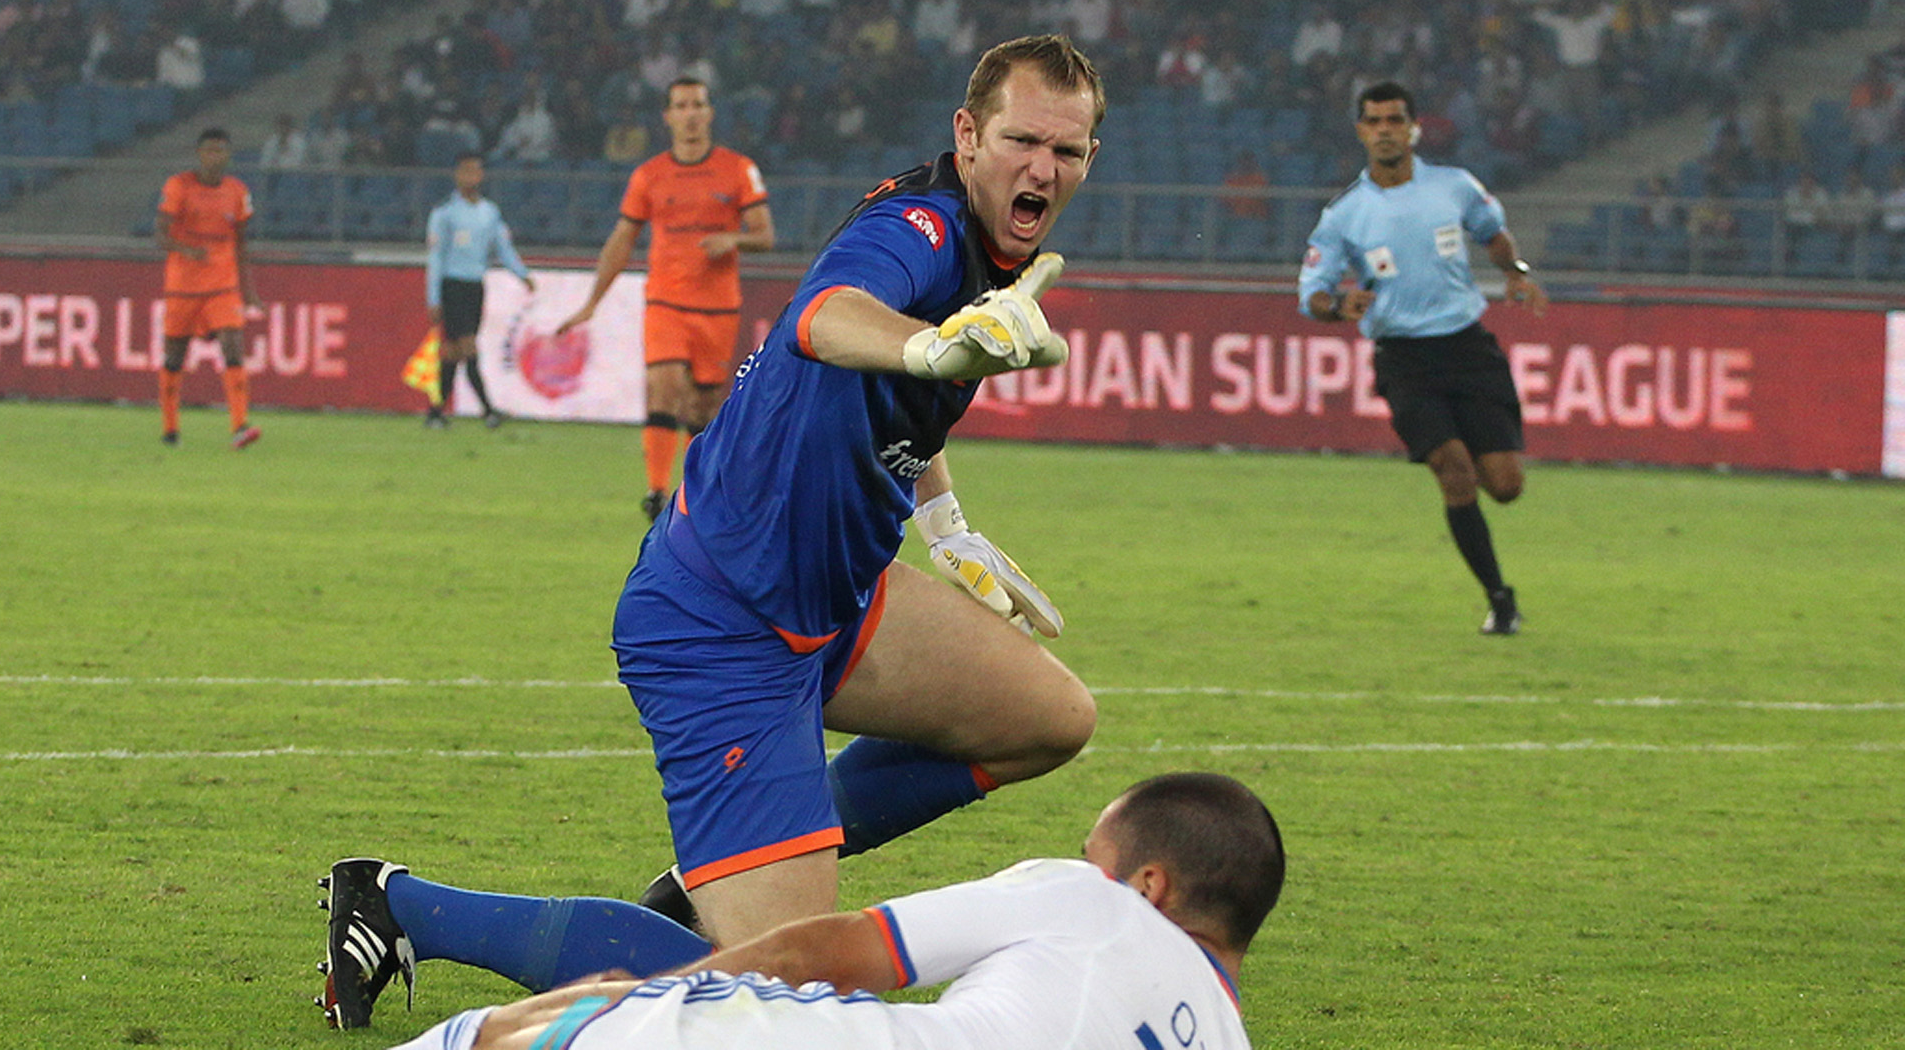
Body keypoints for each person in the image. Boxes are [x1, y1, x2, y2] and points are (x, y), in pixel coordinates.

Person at [323, 34, 1104, 1030]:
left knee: (1049, 718)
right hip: (724, 625)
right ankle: (398, 904)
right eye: (1022, 140)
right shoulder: (922, 226)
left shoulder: (1004, 248)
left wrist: (944, 519)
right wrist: (928, 344)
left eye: (1068, 152)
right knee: (785, 1003)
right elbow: (826, 315)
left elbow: (908, 389)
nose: (1043, 167)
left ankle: (733, 869)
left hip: (835, 597)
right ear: (966, 134)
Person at [337, 772, 1283, 1050]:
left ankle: (390, 904)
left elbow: (833, 951)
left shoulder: (1091, 903)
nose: (1087, 867)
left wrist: (636, 999)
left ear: (1148, 887)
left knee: (497, 1037)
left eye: (1098, 857)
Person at [1298, 81, 1548, 634]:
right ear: (1361, 131)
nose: (1385, 130)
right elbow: (1310, 291)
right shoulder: (1345, 215)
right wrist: (1339, 305)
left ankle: (1498, 585)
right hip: (1405, 359)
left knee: (1505, 486)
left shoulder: (1454, 188)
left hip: (1468, 347)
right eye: (1374, 121)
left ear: (1413, 127)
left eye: (1395, 120)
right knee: (1454, 473)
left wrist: (1514, 272)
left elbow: (1494, 233)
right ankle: (1500, 600)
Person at [553, 77, 775, 522]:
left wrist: (732, 239)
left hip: (717, 307)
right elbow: (621, 240)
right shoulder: (649, 176)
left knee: (703, 405)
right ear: (668, 116)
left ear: (709, 113)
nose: (690, 113)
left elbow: (765, 235)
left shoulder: (738, 169)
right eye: (681, 105)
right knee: (665, 386)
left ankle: (691, 495)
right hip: (666, 302)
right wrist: (593, 301)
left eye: (697, 104)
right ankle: (656, 493)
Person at [154, 127, 263, 449]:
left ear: (229, 155)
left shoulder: (237, 192)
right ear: (199, 153)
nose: (215, 157)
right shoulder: (179, 186)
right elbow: (159, 234)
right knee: (175, 357)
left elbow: (241, 245)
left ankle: (240, 426)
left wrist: (249, 291)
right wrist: (186, 250)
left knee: (233, 345)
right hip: (183, 287)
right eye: (209, 150)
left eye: (221, 151)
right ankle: (170, 430)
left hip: (222, 285)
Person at [423, 152, 534, 429]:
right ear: (457, 175)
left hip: (475, 288)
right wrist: (434, 298)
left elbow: (503, 248)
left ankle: (436, 413)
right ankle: (488, 411)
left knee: (451, 352)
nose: (471, 177)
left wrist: (522, 274)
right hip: (452, 286)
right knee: (468, 347)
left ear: (481, 175)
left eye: (476, 171)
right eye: (466, 172)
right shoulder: (444, 212)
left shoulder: (489, 212)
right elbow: (435, 259)